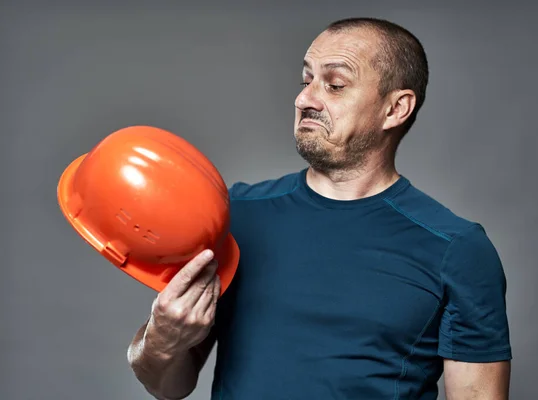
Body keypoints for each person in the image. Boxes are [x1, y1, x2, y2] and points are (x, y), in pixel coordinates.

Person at [126, 17, 512, 400]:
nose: (304, 99)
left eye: (335, 85)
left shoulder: (457, 249)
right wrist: (160, 341)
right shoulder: (231, 214)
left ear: (396, 109)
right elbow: (168, 385)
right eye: (306, 80)